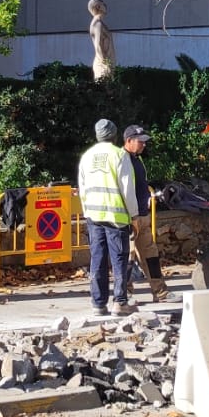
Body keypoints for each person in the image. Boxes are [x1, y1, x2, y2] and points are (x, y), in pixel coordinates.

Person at [77, 117, 139, 315]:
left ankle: (98, 303)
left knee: (98, 258)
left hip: (94, 216)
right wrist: (134, 216)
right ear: (114, 134)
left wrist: (87, 211)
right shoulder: (119, 155)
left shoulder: (86, 156)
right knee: (119, 259)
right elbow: (127, 189)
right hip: (116, 216)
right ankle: (120, 302)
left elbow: (83, 188)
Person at [121, 124, 170, 304]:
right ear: (128, 141)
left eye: (144, 141)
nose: (144, 145)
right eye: (140, 141)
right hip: (128, 217)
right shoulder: (121, 159)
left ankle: (160, 292)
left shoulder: (136, 159)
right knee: (128, 256)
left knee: (150, 254)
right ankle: (125, 294)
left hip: (142, 214)